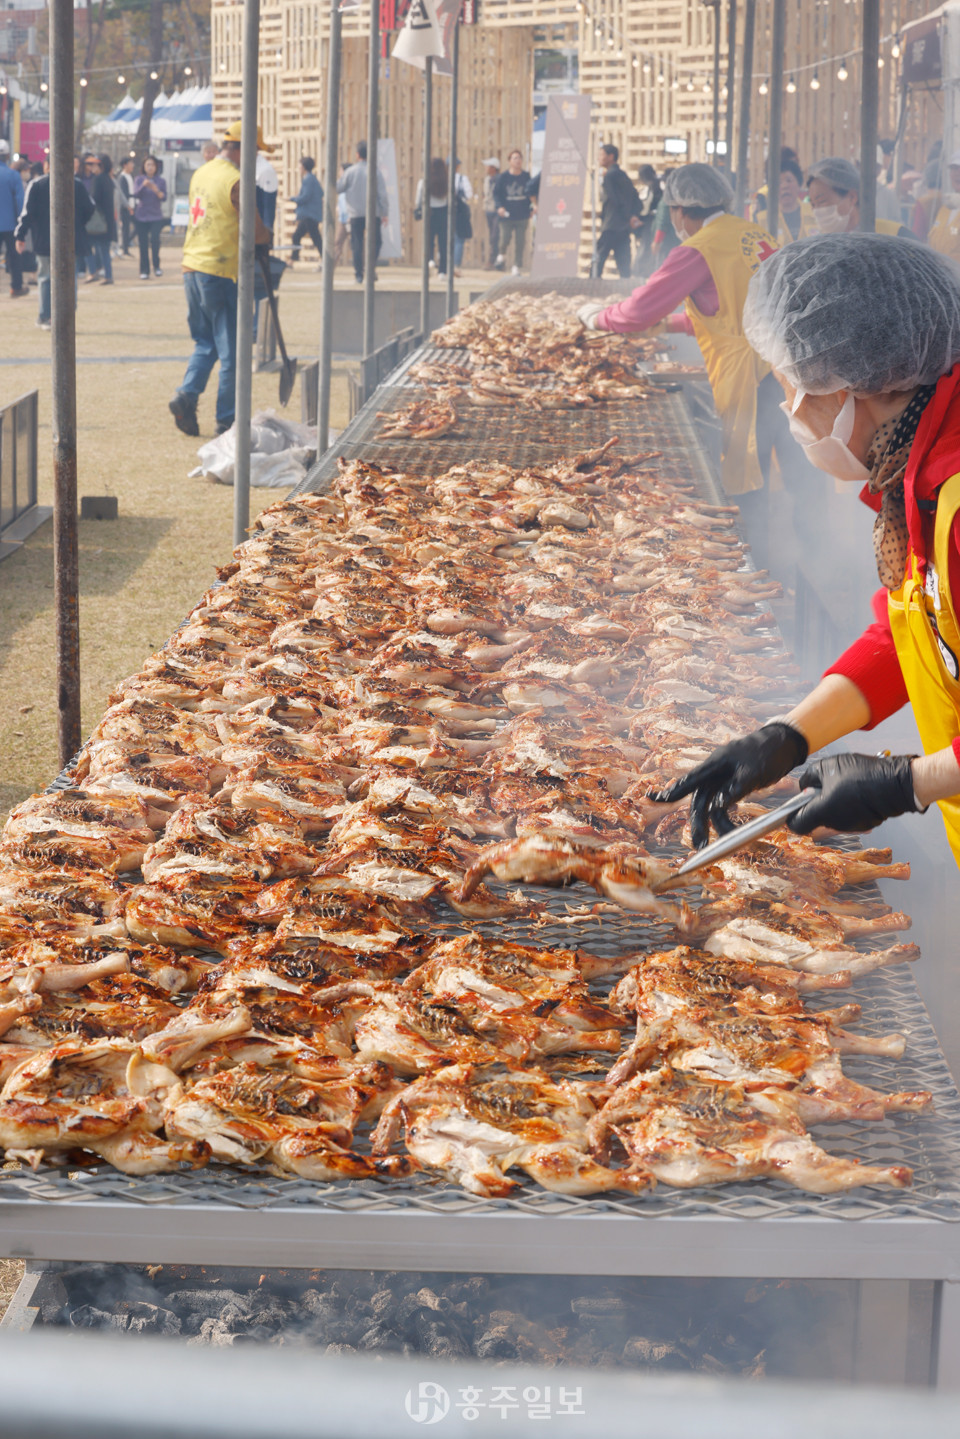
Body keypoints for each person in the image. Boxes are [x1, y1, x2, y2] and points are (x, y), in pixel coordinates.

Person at [655, 234, 960, 867]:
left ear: (858, 382)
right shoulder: (920, 475)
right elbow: (921, 639)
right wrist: (788, 736)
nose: (789, 406)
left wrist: (907, 783)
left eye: (794, 382)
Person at [576, 164, 803, 567]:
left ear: (682, 210)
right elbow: (731, 305)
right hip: (784, 367)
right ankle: (802, 557)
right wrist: (677, 324)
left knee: (746, 478)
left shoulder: (700, 248)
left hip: (747, 374)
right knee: (795, 474)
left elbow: (637, 311)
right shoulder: (752, 233)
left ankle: (754, 570)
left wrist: (597, 317)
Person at [169, 121, 272, 438]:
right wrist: (266, 237)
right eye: (255, 151)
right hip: (220, 271)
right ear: (243, 149)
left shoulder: (203, 171)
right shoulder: (236, 180)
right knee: (233, 354)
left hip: (192, 266)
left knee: (206, 341)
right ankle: (226, 419)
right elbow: (254, 229)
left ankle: (187, 395)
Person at [14, 167, 95, 328]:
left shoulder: (37, 184)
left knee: (45, 277)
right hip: (72, 238)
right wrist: (78, 224)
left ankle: (45, 316)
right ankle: (67, 316)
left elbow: (27, 212)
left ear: (46, 166)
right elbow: (90, 208)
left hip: (44, 239)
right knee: (70, 278)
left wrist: (20, 235)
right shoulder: (76, 184)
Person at [806, 156, 911, 237]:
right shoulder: (818, 247)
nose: (816, 211)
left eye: (822, 201)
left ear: (852, 197)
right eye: (813, 205)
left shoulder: (894, 234)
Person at [337, 140, 388, 284]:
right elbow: (382, 194)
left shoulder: (350, 172)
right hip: (374, 213)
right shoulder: (375, 171)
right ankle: (371, 269)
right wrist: (384, 212)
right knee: (376, 243)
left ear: (357, 154)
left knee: (357, 244)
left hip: (355, 214)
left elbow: (339, 187)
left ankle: (358, 274)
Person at [592, 143, 640, 279]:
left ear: (611, 156)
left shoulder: (609, 176)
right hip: (623, 226)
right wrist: (631, 216)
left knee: (599, 258)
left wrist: (627, 215)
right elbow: (634, 196)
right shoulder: (622, 175)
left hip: (611, 224)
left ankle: (592, 286)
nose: (599, 158)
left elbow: (614, 200)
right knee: (624, 264)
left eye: (602, 155)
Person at [493, 148, 533, 275]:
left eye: (519, 158)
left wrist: (532, 208)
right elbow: (496, 194)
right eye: (515, 158)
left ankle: (516, 265)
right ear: (509, 161)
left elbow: (530, 194)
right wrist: (499, 207)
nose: (518, 161)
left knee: (520, 241)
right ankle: (501, 254)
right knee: (505, 238)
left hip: (522, 214)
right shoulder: (503, 177)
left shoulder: (526, 176)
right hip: (507, 215)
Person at [0, 138, 26, 297]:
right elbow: (20, 200)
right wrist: (21, 222)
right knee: (15, 257)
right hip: (10, 224)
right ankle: (16, 287)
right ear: (8, 156)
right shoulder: (13, 175)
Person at [415, 156, 449, 276]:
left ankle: (430, 260)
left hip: (429, 213)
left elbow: (419, 199)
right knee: (443, 243)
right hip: (444, 213)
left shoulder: (424, 181)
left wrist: (418, 209)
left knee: (428, 240)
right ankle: (443, 271)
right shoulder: (447, 182)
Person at [87, 153, 118, 284]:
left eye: (94, 164)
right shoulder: (108, 179)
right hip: (107, 221)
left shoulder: (98, 179)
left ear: (101, 165)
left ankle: (97, 273)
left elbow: (94, 200)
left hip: (98, 222)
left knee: (91, 247)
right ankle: (106, 274)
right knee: (103, 249)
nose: (91, 166)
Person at [134, 155, 167, 279]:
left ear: (156, 167)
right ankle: (144, 270)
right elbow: (136, 194)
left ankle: (157, 266)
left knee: (155, 241)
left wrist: (154, 188)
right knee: (143, 244)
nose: (150, 167)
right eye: (147, 165)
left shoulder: (161, 181)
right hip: (141, 215)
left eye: (152, 165)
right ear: (144, 166)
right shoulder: (139, 179)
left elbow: (164, 197)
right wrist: (143, 185)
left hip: (156, 216)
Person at [290, 155, 323, 264]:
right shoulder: (312, 178)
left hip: (309, 214)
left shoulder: (308, 179)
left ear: (304, 167)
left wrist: (294, 199)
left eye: (299, 165)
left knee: (315, 238)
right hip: (311, 214)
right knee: (298, 236)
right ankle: (293, 259)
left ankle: (326, 260)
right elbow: (320, 193)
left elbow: (306, 197)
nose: (298, 168)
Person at [633, 163, 662, 276]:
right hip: (650, 220)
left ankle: (641, 271)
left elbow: (647, 206)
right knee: (647, 246)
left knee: (645, 246)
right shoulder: (657, 185)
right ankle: (644, 271)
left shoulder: (652, 187)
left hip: (649, 221)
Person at [453, 159, 473, 273]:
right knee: (459, 239)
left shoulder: (442, 178)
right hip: (460, 212)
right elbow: (469, 194)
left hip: (445, 211)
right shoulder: (462, 179)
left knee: (445, 239)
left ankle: (445, 264)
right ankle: (456, 265)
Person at [482, 157, 500, 268]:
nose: (485, 168)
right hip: (488, 209)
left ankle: (493, 261)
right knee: (492, 236)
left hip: (497, 210)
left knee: (495, 236)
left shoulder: (499, 179)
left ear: (493, 168)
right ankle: (494, 261)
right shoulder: (487, 179)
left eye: (487, 166)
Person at [117, 155, 136, 256]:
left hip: (132, 206)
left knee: (135, 227)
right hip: (125, 207)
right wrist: (128, 205)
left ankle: (126, 243)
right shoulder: (122, 177)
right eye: (130, 163)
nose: (132, 165)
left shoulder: (130, 176)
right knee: (125, 228)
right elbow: (123, 193)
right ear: (125, 165)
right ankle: (125, 248)